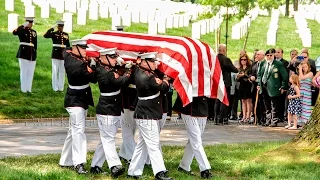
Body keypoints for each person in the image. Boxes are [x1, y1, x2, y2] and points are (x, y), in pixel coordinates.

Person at [127, 52, 172, 180]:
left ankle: (133, 172)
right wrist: (165, 80)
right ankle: (159, 172)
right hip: (146, 114)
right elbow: (162, 87)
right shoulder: (145, 76)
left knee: (142, 145)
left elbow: (160, 85)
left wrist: (161, 82)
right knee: (153, 143)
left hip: (147, 113)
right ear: (144, 62)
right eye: (152, 61)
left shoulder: (144, 72)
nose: (155, 64)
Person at [90, 48, 132, 177]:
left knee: (106, 138)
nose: (115, 60)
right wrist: (128, 72)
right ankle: (114, 165)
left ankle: (95, 165)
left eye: (115, 57)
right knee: (108, 138)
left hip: (113, 108)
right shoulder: (103, 71)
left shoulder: (108, 69)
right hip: (106, 109)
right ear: (104, 58)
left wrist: (123, 66)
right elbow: (120, 82)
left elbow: (117, 73)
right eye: (113, 58)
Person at [59, 39, 96, 174]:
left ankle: (65, 160)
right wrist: (92, 64)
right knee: (79, 131)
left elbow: (65, 49)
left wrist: (86, 60)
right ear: (76, 48)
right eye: (83, 48)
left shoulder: (68, 54)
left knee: (73, 130)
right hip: (76, 100)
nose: (86, 51)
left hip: (80, 98)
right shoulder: (78, 64)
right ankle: (79, 163)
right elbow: (93, 78)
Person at [173, 95, 213, 178]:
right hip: (188, 107)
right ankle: (204, 169)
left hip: (202, 106)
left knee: (195, 139)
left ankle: (184, 166)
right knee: (196, 139)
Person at [257, 48, 288, 127]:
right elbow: (260, 74)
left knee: (274, 105)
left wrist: (283, 86)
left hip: (274, 87)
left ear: (274, 55)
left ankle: (274, 120)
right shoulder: (263, 63)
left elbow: (285, 76)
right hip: (264, 86)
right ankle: (268, 120)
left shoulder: (278, 64)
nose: (269, 57)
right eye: (267, 55)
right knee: (266, 105)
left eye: (271, 55)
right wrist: (259, 84)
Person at [214, 44, 239, 124]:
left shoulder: (215, 59)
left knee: (217, 101)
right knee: (224, 101)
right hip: (225, 82)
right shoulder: (226, 59)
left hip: (217, 82)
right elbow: (234, 69)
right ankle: (222, 118)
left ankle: (216, 118)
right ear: (224, 50)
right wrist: (237, 68)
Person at [44, 20, 70, 92]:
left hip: (63, 54)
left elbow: (68, 46)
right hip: (56, 53)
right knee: (55, 70)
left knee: (62, 71)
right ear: (57, 26)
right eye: (59, 26)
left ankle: (60, 87)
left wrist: (68, 54)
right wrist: (52, 28)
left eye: (62, 26)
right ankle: (55, 87)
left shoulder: (66, 34)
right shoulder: (54, 34)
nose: (61, 28)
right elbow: (45, 35)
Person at [12, 17, 37, 93]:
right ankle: (23, 89)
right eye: (29, 23)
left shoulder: (33, 32)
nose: (31, 24)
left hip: (31, 53)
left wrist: (35, 52)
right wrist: (22, 25)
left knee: (30, 71)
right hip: (23, 52)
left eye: (31, 23)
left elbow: (35, 44)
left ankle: (28, 89)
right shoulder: (21, 30)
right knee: (24, 71)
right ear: (26, 23)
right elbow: (14, 32)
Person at [250, 50, 266, 125]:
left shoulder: (265, 64)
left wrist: (260, 83)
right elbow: (250, 73)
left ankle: (263, 118)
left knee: (262, 103)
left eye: (258, 54)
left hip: (262, 87)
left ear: (263, 56)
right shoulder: (254, 64)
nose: (256, 56)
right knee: (254, 103)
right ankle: (256, 117)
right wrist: (251, 77)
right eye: (256, 54)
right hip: (254, 86)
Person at [237, 54, 252, 122]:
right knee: (243, 101)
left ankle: (248, 116)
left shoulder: (249, 67)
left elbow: (250, 75)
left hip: (248, 85)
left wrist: (244, 75)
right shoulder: (240, 68)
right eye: (242, 59)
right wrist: (238, 76)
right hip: (241, 85)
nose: (243, 61)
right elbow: (237, 79)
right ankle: (244, 116)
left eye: (244, 59)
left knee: (248, 101)